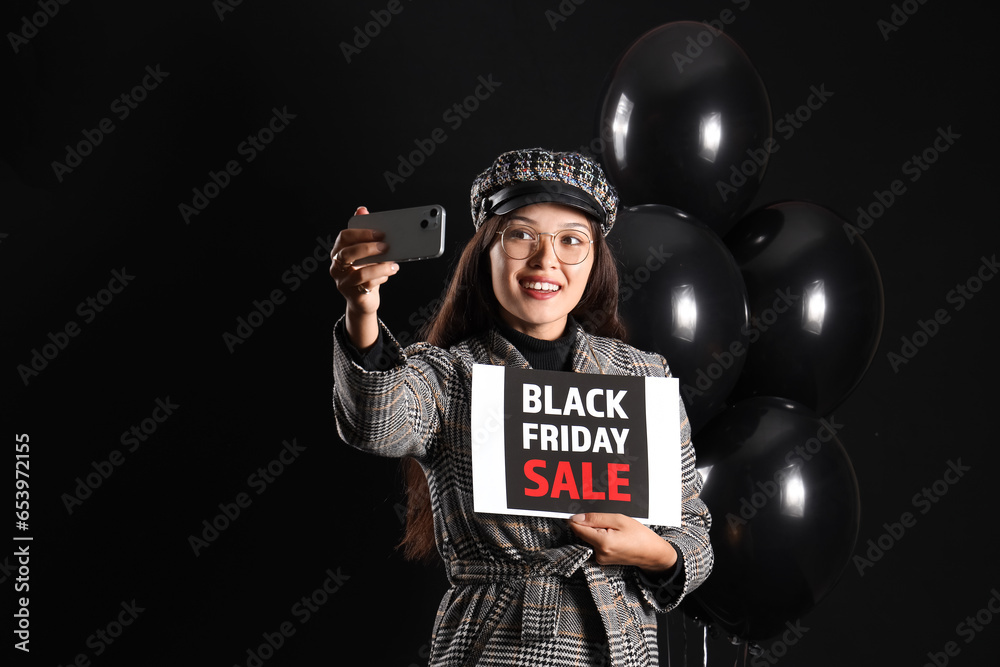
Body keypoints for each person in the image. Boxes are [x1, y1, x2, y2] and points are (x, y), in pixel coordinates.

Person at [329, 148, 712, 666]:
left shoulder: (645, 375)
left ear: (595, 261)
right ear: (486, 253)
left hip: (628, 646)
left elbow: (692, 530)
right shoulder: (450, 375)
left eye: (572, 241)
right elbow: (376, 422)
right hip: (500, 644)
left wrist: (656, 553)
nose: (545, 261)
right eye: (521, 236)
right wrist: (362, 312)